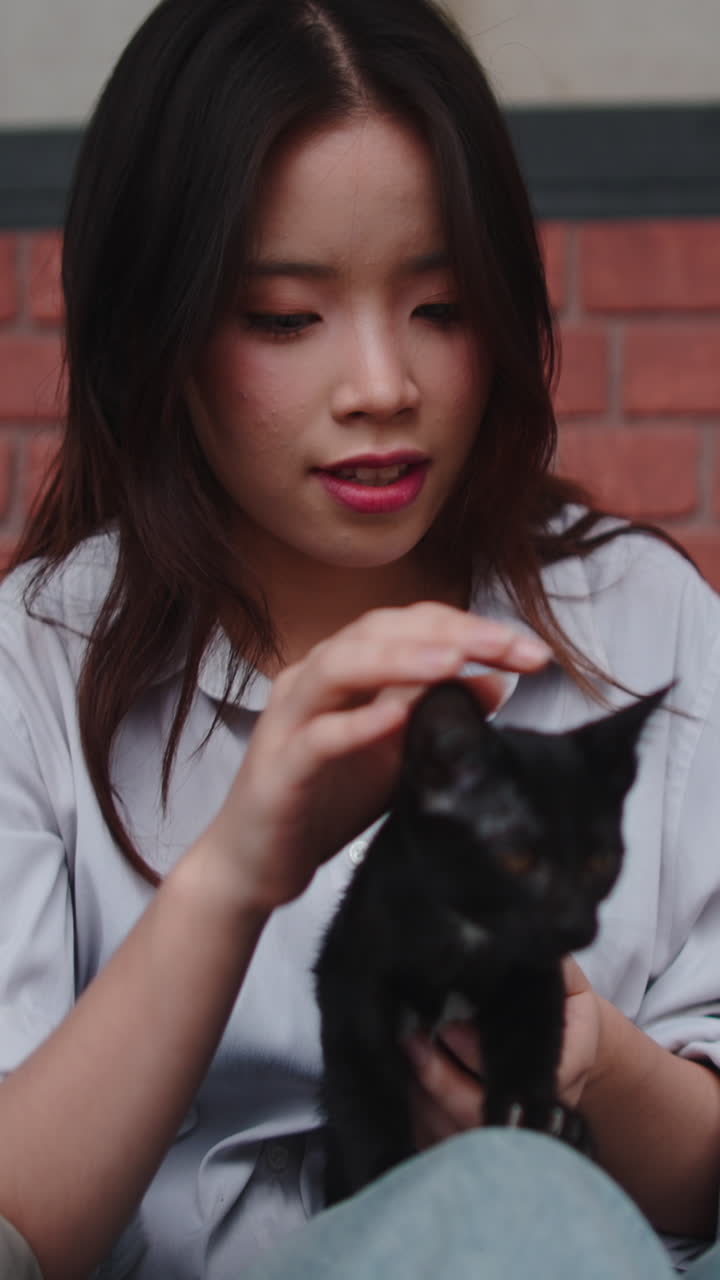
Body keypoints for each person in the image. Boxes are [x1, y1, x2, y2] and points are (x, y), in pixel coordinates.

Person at [1, 0, 720, 1277]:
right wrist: (231, 877)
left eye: (442, 306)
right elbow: (18, 1229)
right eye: (286, 317)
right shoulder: (36, 660)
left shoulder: (641, 627)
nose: (382, 384)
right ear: (154, 331)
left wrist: (589, 1066)